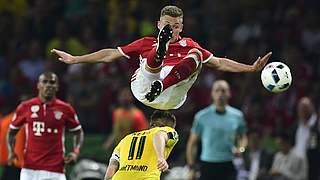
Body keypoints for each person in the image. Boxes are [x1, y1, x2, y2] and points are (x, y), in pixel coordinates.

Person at [51, 5, 272, 110]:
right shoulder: (145, 41)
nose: (173, 29)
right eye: (168, 26)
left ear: (182, 27)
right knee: (151, 57)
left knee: (196, 55)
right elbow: (110, 54)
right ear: (159, 25)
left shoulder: (190, 43)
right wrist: (76, 59)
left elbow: (220, 63)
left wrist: (250, 69)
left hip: (172, 93)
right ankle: (160, 53)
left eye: (176, 27)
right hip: (145, 87)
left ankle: (161, 72)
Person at [7, 72, 84, 180]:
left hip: (55, 170)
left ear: (57, 87)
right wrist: (11, 151)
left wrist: (75, 152)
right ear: (38, 85)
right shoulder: (25, 107)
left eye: (52, 82)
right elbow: (11, 132)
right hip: (29, 170)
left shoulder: (66, 109)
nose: (48, 85)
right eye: (45, 82)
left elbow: (78, 131)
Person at [186, 80, 248, 180]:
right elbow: (192, 143)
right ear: (212, 93)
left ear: (229, 93)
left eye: (223, 90)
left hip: (229, 164)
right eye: (217, 90)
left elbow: (243, 137)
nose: (220, 94)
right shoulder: (202, 116)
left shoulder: (237, 116)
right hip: (208, 164)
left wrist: (240, 149)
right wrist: (191, 167)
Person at [104, 110, 178, 180]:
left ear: (152, 124)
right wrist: (161, 157)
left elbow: (113, 163)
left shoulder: (127, 138)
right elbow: (159, 135)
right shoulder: (168, 130)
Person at [290, 97, 320, 180]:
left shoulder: (316, 125)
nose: (302, 111)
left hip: (311, 165)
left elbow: (314, 147)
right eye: (300, 108)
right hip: (296, 165)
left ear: (312, 108)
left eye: (305, 108)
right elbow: (292, 144)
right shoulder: (296, 126)